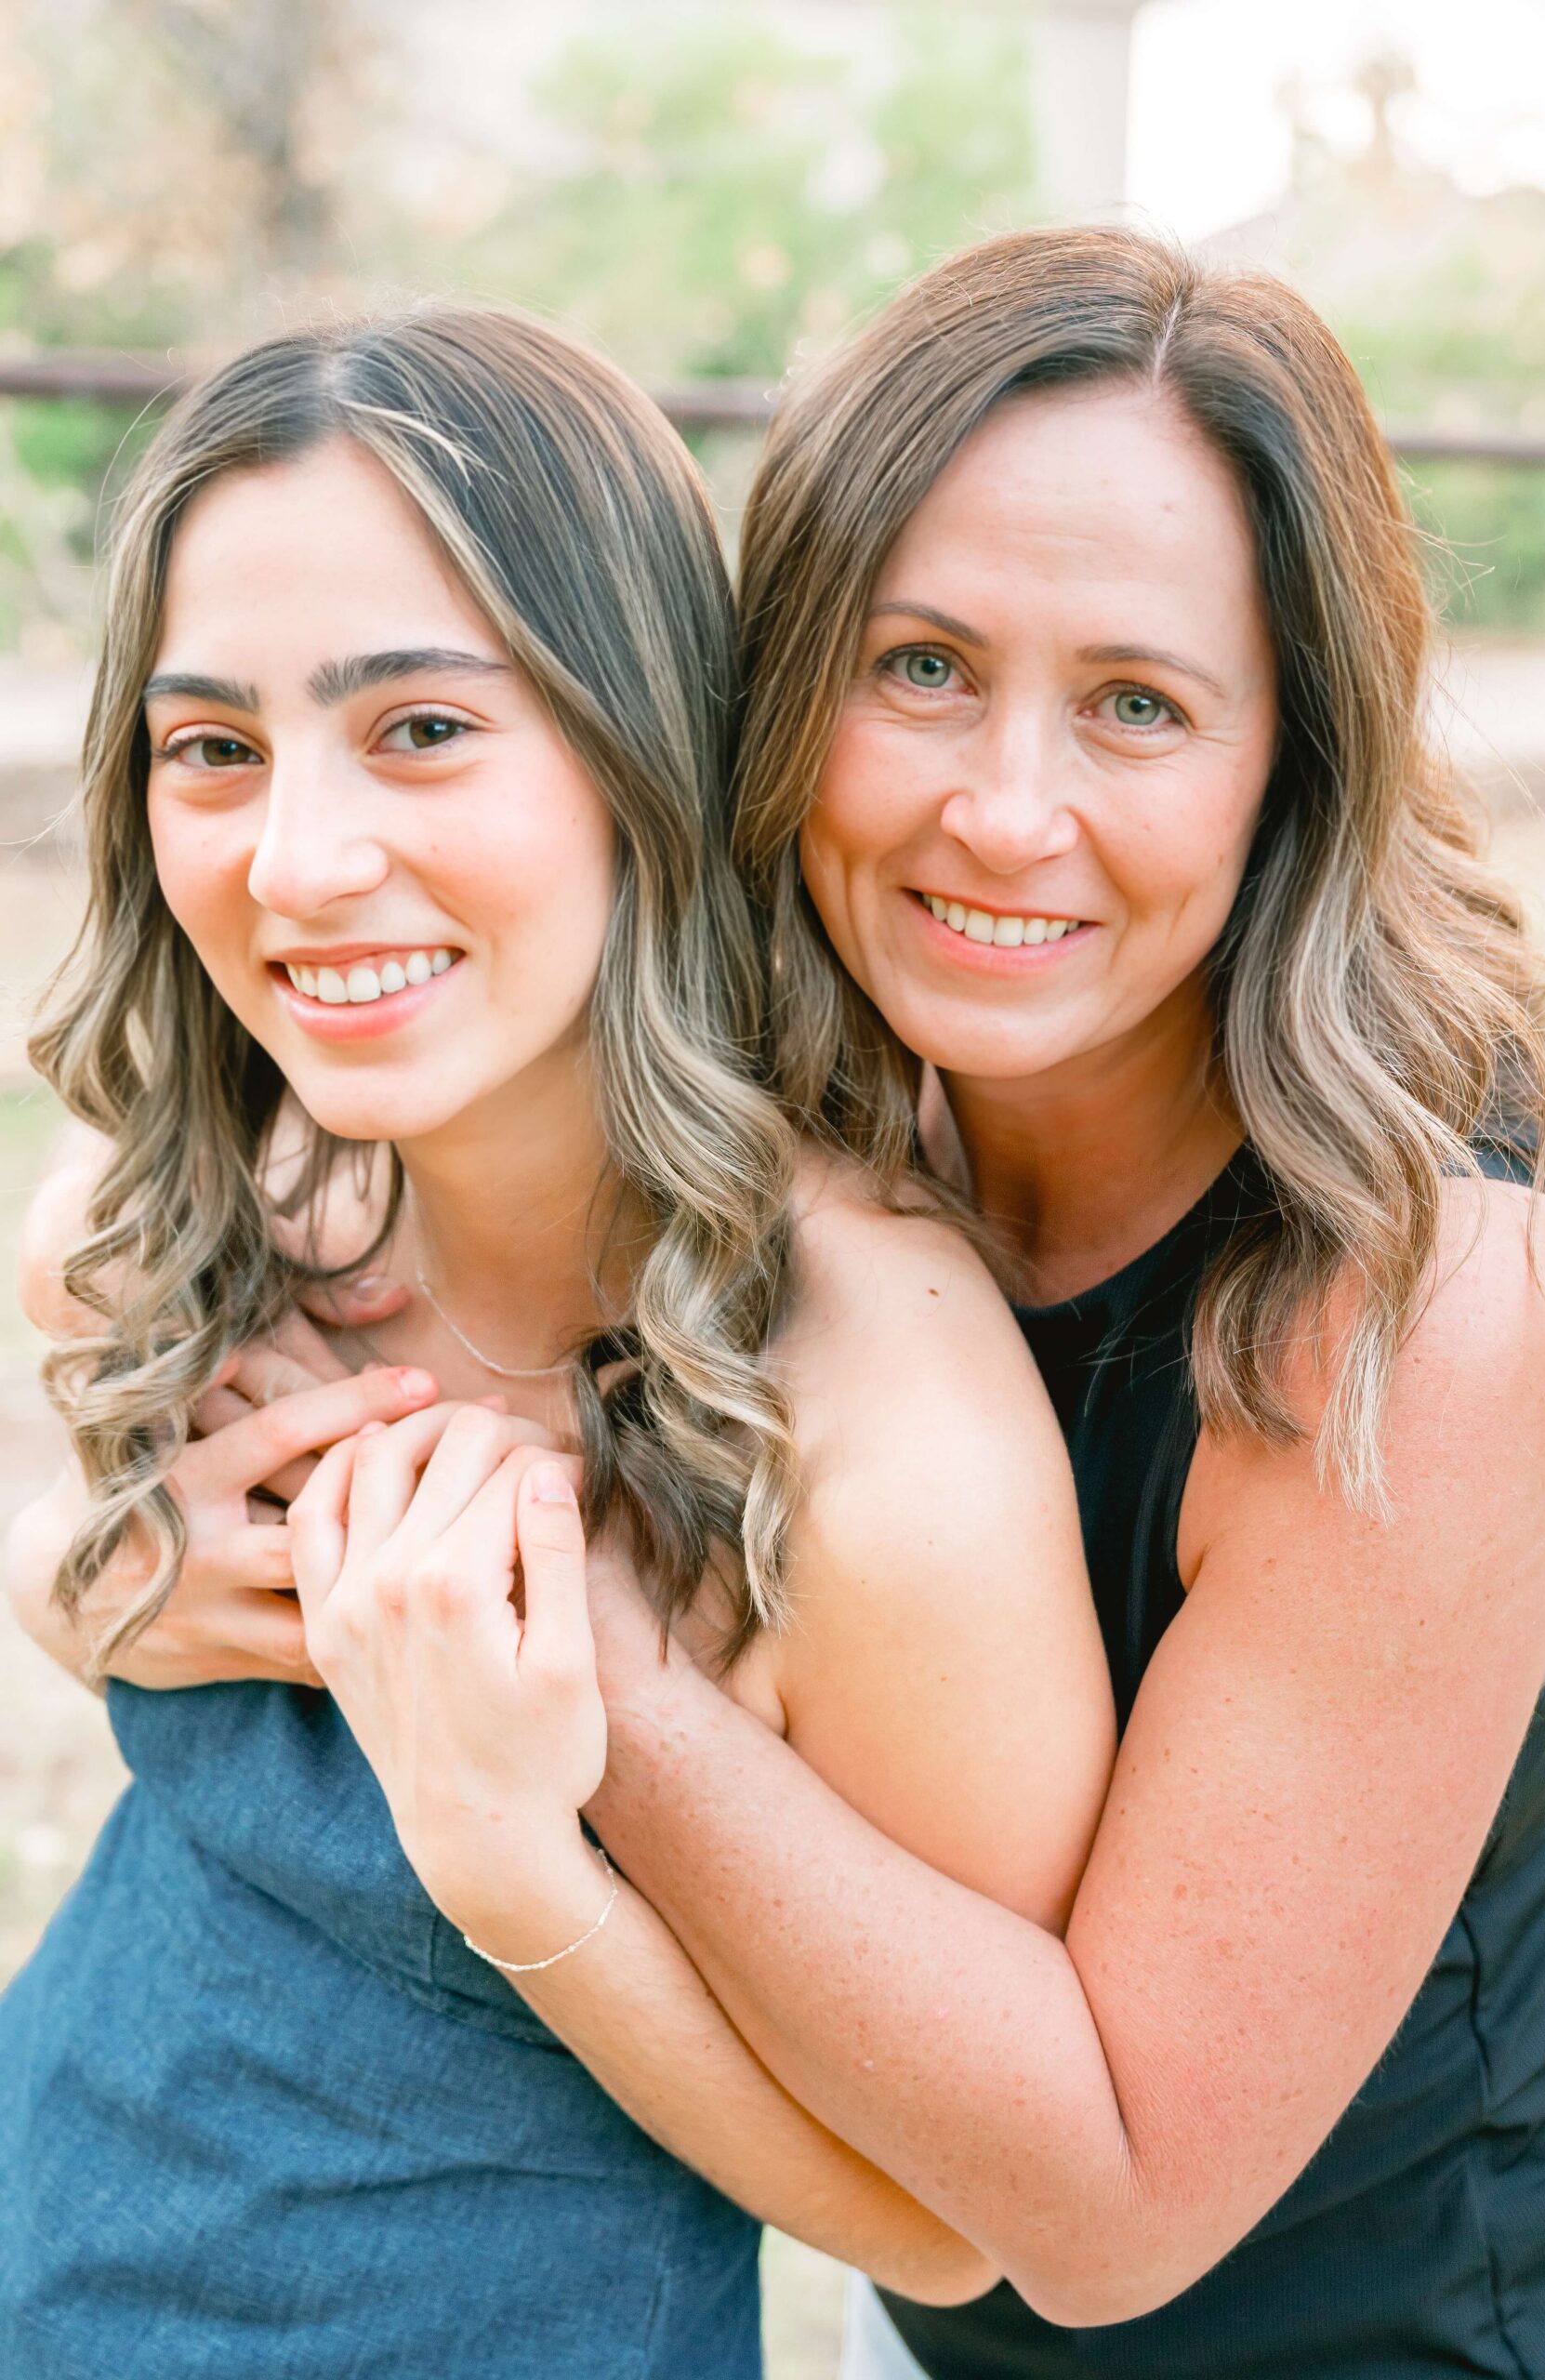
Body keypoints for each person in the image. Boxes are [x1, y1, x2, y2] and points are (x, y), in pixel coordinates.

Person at [264, 225, 1545, 2376]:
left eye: (1137, 704)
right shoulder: (810, 1113)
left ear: (1288, 770)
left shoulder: (1438, 1306)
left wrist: (588, 1655)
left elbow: (1110, 2201)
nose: (1003, 808)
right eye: (919, 667)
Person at [0, 302, 1116, 2378]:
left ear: (634, 750)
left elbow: (957, 2228)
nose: (299, 859)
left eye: (420, 727)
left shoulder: (877, 1429)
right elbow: (80, 1509)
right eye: (213, 747)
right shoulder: (196, 1227)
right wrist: (102, 1579)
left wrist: (516, 1857)